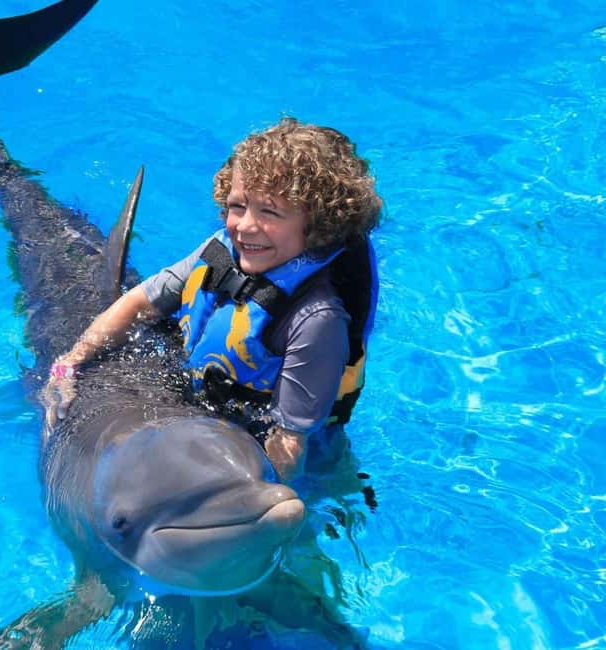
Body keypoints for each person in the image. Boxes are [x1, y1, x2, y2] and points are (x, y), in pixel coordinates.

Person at [43, 117, 382, 483]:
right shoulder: (220, 253)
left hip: (293, 453)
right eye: (238, 206)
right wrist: (69, 365)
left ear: (318, 225)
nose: (245, 226)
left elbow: (290, 444)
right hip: (211, 411)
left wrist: (268, 502)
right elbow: (140, 302)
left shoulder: (316, 320)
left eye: (270, 212)